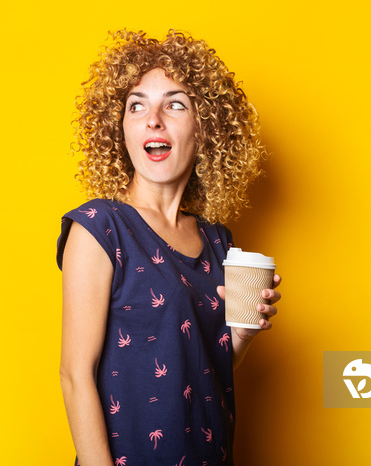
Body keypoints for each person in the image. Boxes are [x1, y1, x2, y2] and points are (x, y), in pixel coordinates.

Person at [57, 29, 281, 466]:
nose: (152, 118)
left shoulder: (219, 241)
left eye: (174, 104)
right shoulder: (100, 228)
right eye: (136, 105)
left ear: (206, 130)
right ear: (120, 129)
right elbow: (74, 375)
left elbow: (204, 366)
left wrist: (242, 334)